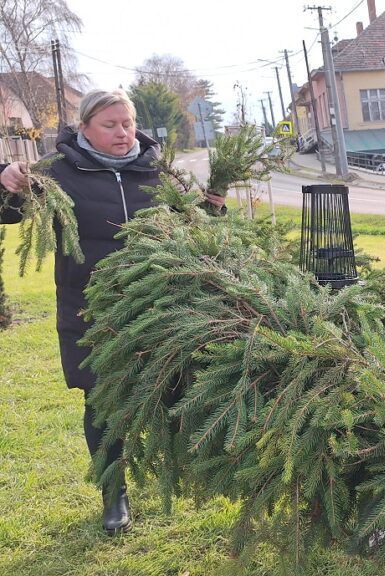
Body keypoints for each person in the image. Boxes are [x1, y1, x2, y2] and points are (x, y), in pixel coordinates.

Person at [0, 89, 226, 535]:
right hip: (90, 309)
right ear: (83, 127)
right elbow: (9, 212)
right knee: (102, 402)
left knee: (175, 387)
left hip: (159, 306)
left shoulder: (159, 171)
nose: (123, 134)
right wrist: (4, 177)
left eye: (127, 123)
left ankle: (187, 470)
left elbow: (198, 232)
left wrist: (213, 211)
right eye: (110, 125)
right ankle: (113, 494)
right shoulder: (57, 172)